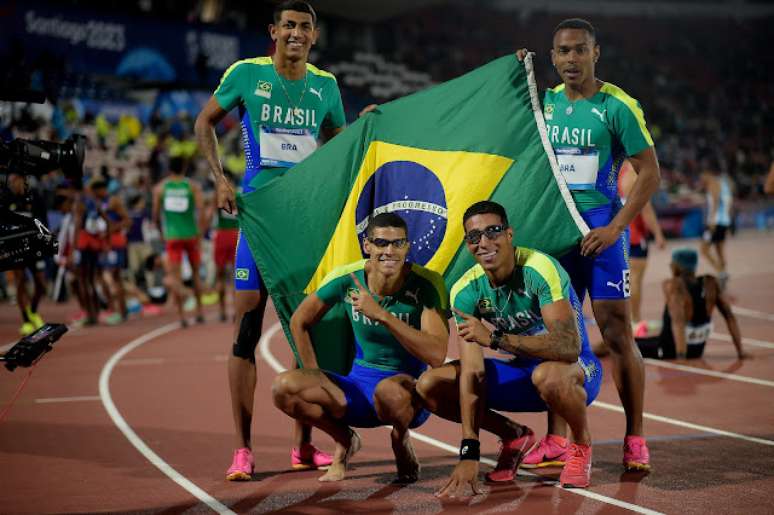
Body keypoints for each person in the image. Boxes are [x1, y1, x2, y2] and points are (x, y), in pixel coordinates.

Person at [194, 0, 347, 479]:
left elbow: (341, 145)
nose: (296, 33)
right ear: (274, 31)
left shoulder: (326, 85)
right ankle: (243, 448)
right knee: (246, 325)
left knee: (309, 329)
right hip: (258, 217)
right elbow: (204, 123)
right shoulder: (246, 73)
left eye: (305, 27)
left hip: (305, 223)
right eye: (289, 25)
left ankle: (302, 445)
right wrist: (221, 179)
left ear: (314, 36)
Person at [517, 18, 660, 471]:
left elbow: (650, 172)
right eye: (562, 52)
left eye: (580, 50)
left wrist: (617, 227)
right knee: (558, 335)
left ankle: (635, 437)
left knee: (617, 332)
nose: (571, 59)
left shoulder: (617, 106)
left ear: (595, 53)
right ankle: (556, 439)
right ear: (553, 57)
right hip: (553, 231)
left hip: (600, 229)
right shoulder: (546, 105)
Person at [416, 201, 601, 494]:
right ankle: (513, 436)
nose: (484, 242)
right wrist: (470, 450)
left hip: (576, 371)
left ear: (509, 234)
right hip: (524, 374)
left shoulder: (539, 269)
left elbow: (568, 348)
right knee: (430, 384)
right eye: (474, 237)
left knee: (549, 375)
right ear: (467, 244)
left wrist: (495, 339)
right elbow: (473, 374)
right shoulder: (466, 291)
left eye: (493, 231)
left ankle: (579, 444)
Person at [272, 213, 449, 482]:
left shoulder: (426, 284)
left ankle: (400, 439)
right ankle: (345, 439)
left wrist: (383, 316)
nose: (389, 251)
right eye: (381, 243)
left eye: (397, 243)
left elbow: (436, 355)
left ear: (407, 247)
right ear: (368, 246)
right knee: (283, 388)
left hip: (406, 395)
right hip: (356, 388)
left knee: (389, 391)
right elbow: (299, 321)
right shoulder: (348, 279)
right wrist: (314, 373)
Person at [634, 248, 746, 360]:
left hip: (670, 350)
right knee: (635, 341)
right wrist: (740, 351)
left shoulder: (674, 286)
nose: (670, 265)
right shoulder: (710, 284)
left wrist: (681, 357)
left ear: (678, 266)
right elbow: (730, 317)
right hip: (697, 350)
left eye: (672, 262)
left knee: (623, 346)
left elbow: (678, 323)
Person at [152, 155, 206, 327]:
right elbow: (201, 210)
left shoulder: (160, 188)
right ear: (184, 167)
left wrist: (162, 232)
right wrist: (200, 233)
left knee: (176, 277)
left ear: (169, 168)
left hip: (173, 236)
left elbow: (155, 216)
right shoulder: (192, 186)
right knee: (196, 274)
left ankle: (182, 316)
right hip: (191, 235)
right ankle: (199, 312)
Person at [618, 160, 665, 326]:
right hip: (635, 236)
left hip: (621, 233)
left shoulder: (619, 172)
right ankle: (634, 319)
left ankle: (628, 319)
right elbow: (646, 209)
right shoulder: (633, 175)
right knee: (635, 279)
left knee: (625, 280)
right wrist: (658, 234)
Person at [7, 172, 48, 335]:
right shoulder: (7, 199)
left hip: (34, 247)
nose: (12, 184)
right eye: (11, 181)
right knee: (20, 281)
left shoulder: (35, 197)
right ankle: (26, 320)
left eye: (15, 180)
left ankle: (33, 310)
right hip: (16, 248)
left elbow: (44, 223)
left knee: (41, 284)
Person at [210, 172, 240, 322]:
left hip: (222, 235)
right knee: (237, 276)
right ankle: (236, 311)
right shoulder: (238, 193)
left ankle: (222, 311)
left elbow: (209, 215)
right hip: (236, 235)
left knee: (220, 275)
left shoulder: (218, 193)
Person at [699, 164, 734, 288]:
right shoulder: (725, 183)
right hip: (724, 221)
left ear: (708, 173)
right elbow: (729, 203)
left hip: (715, 222)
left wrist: (711, 221)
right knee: (719, 251)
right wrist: (729, 221)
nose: (701, 178)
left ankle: (721, 272)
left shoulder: (713, 184)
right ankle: (723, 274)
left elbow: (715, 203)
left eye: (702, 175)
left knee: (703, 249)